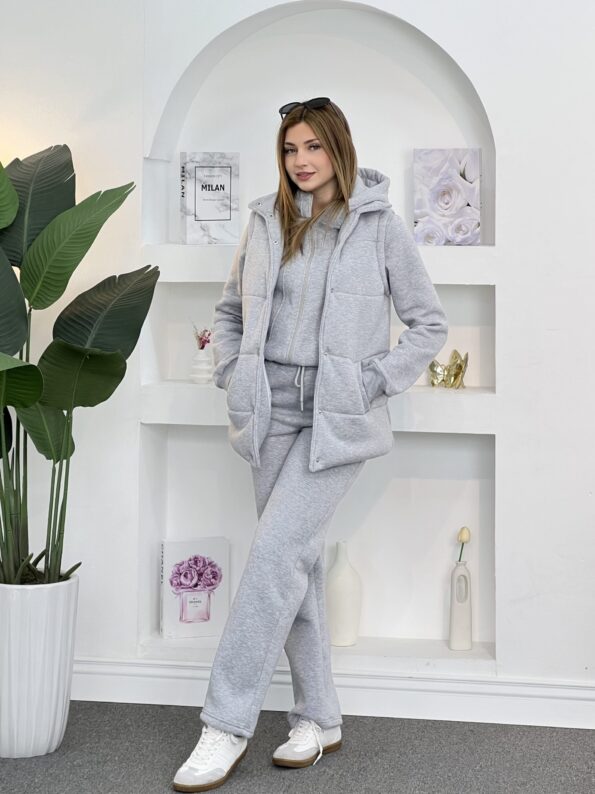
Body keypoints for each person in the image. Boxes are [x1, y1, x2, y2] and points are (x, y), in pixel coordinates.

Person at [172, 97, 448, 792]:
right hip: (269, 409)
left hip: (337, 416)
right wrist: (234, 372)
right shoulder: (266, 220)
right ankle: (317, 718)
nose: (301, 160)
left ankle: (224, 723)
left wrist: (368, 382)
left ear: (338, 148)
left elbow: (427, 323)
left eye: (313, 147)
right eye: (291, 148)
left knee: (273, 556)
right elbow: (230, 311)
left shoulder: (379, 225)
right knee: (293, 566)